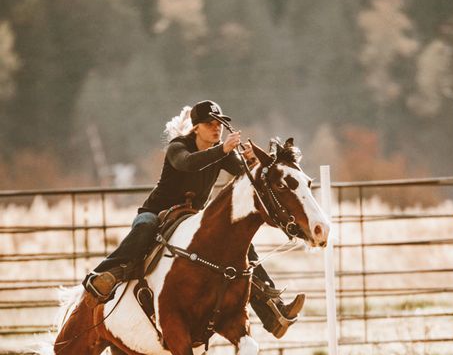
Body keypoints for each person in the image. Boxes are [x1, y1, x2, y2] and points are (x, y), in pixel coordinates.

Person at [83, 100, 305, 338]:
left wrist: (253, 161)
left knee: (243, 248)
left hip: (191, 218)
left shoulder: (220, 151)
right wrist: (222, 150)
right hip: (157, 212)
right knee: (145, 227)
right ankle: (101, 277)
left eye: (219, 124)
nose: (216, 128)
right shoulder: (178, 147)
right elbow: (187, 164)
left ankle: (274, 312)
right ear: (196, 127)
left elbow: (246, 175)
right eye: (210, 124)